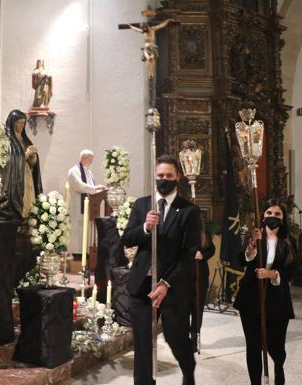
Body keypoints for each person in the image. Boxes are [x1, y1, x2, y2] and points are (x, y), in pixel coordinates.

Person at [121, 154, 202, 385]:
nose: (164, 180)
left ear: (178, 177)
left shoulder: (189, 211)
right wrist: (145, 227)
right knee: (143, 345)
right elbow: (126, 239)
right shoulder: (142, 205)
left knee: (176, 339)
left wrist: (166, 284)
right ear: (154, 177)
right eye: (160, 176)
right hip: (142, 285)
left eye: (168, 176)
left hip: (172, 287)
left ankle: (188, 371)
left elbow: (188, 256)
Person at [234, 198, 296, 385]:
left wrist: (272, 273)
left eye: (277, 214)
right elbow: (241, 261)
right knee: (253, 347)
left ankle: (278, 370)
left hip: (277, 301)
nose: (272, 216)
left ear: (284, 218)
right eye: (269, 213)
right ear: (263, 215)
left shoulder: (288, 241)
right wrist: (251, 247)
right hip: (251, 300)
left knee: (276, 347)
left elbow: (292, 270)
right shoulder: (253, 236)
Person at [0, 109, 43, 221]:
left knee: (29, 200)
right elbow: (9, 160)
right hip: (14, 179)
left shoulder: (25, 140)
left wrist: (33, 158)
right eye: (18, 123)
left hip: (27, 175)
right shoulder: (7, 140)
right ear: (12, 123)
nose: (21, 126)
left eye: (23, 123)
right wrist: (26, 155)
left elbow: (32, 165)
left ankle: (27, 221)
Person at [67, 149, 106, 254]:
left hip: (88, 206)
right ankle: (77, 253)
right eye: (90, 159)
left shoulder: (89, 172)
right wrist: (95, 189)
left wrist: (97, 190)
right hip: (78, 206)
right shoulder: (74, 170)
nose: (91, 161)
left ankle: (86, 253)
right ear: (83, 158)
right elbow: (79, 185)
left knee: (86, 230)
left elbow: (91, 188)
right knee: (77, 230)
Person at [190, 225, 216, 352]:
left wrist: (203, 255)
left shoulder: (205, 232)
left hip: (200, 277)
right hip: (183, 276)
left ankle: (194, 342)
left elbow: (211, 250)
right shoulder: (180, 229)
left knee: (197, 309)